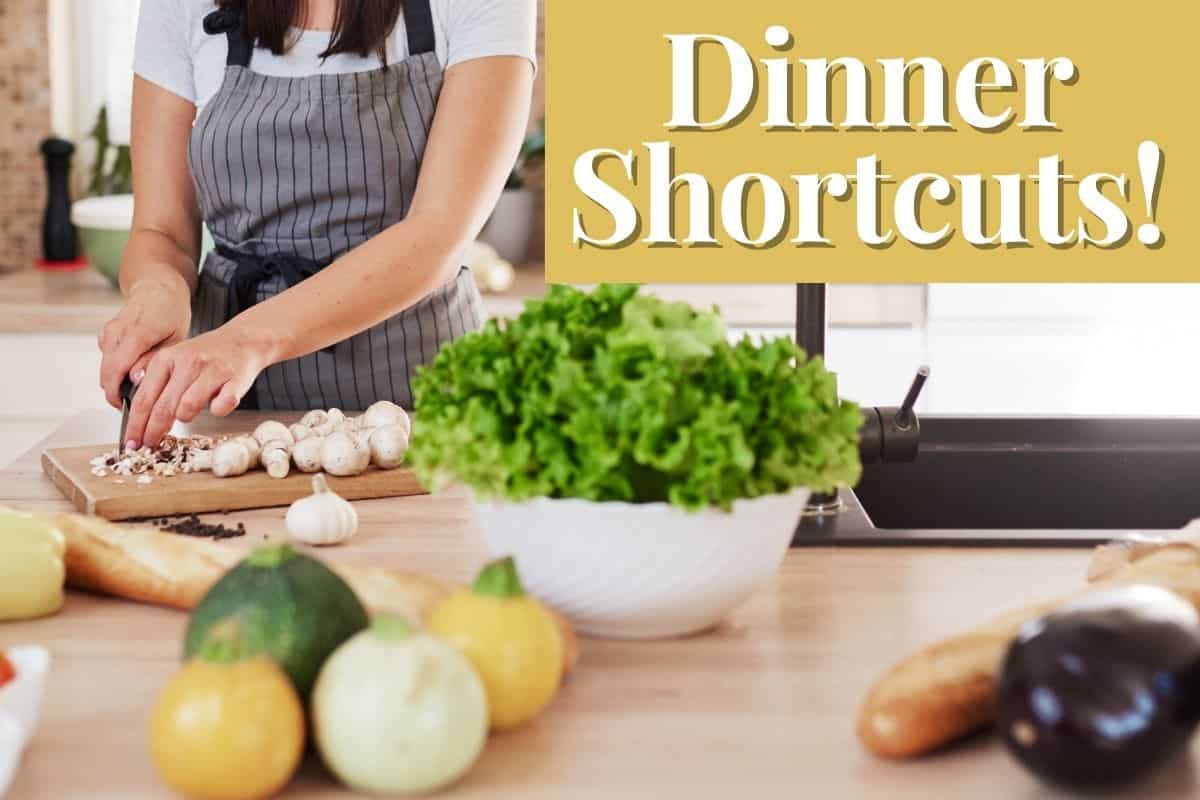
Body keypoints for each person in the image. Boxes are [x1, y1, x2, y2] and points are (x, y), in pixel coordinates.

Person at [98, 0, 535, 449]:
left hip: (425, 411)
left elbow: (437, 236)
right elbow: (161, 232)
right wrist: (159, 292)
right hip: (232, 416)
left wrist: (246, 341)